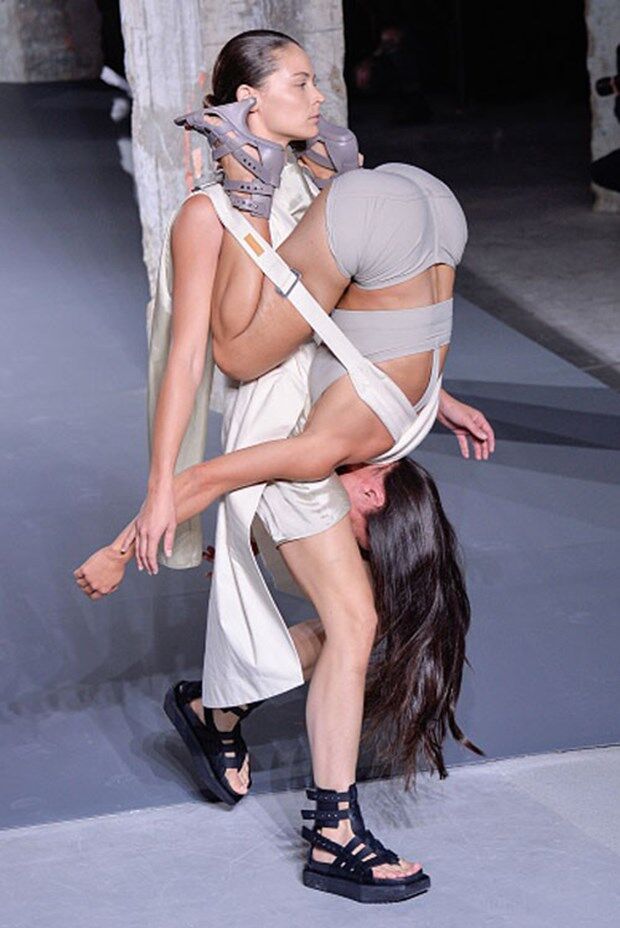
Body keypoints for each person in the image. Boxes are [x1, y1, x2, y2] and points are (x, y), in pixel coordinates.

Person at [74, 30, 494, 904]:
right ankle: (333, 831)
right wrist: (153, 500)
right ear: (249, 100)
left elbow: (361, 313)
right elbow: (191, 360)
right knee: (357, 621)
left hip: (327, 415)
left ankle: (216, 710)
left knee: (361, 625)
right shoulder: (206, 216)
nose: (318, 95)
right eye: (300, 82)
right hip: (278, 441)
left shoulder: (312, 185)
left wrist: (430, 394)